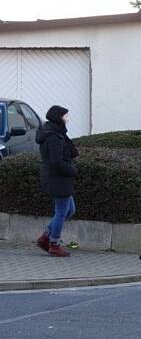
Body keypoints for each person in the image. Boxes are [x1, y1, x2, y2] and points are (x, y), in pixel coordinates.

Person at [35, 105, 79, 257]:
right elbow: (57, 161)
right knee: (61, 211)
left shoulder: (53, 131)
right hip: (58, 178)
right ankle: (54, 243)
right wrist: (72, 171)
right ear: (58, 117)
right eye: (65, 115)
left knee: (69, 210)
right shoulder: (54, 136)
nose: (67, 118)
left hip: (57, 177)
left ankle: (45, 236)